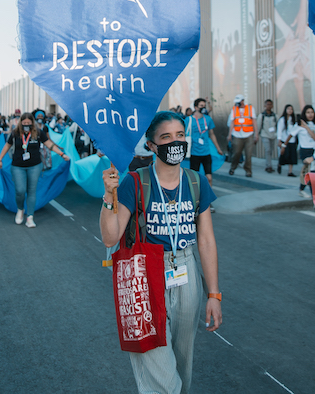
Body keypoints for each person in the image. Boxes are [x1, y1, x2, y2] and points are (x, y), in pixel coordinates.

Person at [100, 111, 222, 394]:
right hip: (144, 274)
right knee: (162, 374)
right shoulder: (135, 180)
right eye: (165, 137)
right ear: (152, 146)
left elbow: (206, 240)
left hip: (186, 268)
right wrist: (109, 195)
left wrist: (214, 294)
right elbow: (110, 236)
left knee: (181, 363)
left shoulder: (196, 181)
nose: (175, 142)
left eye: (180, 135)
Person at [0, 112, 67, 228]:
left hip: (35, 165)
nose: (26, 125)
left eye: (28, 123)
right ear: (21, 123)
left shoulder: (38, 133)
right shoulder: (15, 133)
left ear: (32, 123)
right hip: (18, 166)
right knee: (20, 190)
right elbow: (7, 146)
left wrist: (61, 154)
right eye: (24, 123)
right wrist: (0, 159)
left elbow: (48, 143)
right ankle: (20, 209)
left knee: (31, 191)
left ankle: (30, 217)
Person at [187, 98, 222, 186]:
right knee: (194, 178)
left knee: (209, 177)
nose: (203, 108)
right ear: (195, 107)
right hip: (194, 153)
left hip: (206, 152)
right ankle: (195, 195)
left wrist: (218, 148)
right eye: (201, 106)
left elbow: (212, 134)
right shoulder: (189, 120)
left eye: (204, 106)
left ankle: (209, 197)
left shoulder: (208, 119)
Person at [227, 95, 257, 177]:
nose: (238, 103)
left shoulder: (250, 108)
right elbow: (232, 122)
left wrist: (256, 134)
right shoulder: (234, 109)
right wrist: (229, 135)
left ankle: (248, 170)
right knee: (236, 153)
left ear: (242, 101)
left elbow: (254, 121)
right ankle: (233, 167)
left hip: (249, 134)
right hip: (237, 134)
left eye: (239, 102)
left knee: (248, 154)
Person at [294, 105, 315, 193]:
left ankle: (301, 189)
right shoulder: (299, 125)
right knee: (310, 172)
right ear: (304, 114)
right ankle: (313, 194)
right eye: (308, 112)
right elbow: (291, 134)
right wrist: (284, 145)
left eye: (312, 112)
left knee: (309, 172)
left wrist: (307, 127)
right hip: (305, 150)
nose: (310, 114)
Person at [276, 104, 299, 178]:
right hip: (284, 140)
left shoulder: (294, 119)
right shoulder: (282, 119)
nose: (290, 111)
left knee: (292, 156)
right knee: (284, 155)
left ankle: (290, 171)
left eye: (291, 109)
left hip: (292, 141)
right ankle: (279, 164)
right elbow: (279, 130)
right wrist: (279, 140)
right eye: (288, 109)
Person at [258, 99, 279, 173]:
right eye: (267, 104)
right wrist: (256, 135)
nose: (269, 106)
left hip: (273, 135)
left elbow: (278, 126)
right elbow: (258, 125)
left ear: (272, 105)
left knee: (271, 150)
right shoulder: (262, 115)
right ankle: (268, 166)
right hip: (265, 135)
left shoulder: (275, 116)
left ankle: (269, 164)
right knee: (268, 150)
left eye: (270, 104)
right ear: (264, 105)